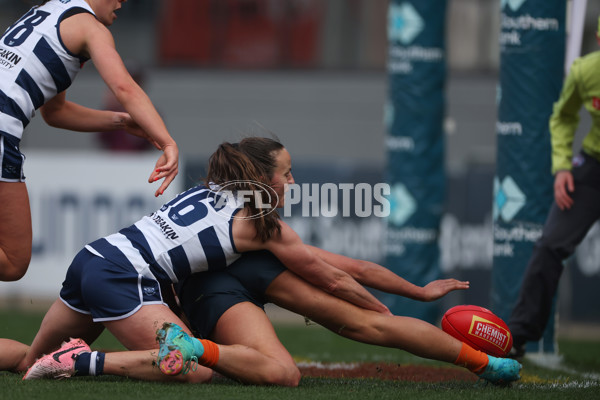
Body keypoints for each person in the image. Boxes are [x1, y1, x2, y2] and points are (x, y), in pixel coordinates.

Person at [13, 137, 521, 385]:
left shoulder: (211, 190)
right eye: (288, 174)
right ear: (260, 177)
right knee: (191, 369)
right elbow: (340, 277)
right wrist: (387, 312)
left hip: (98, 258)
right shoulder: (261, 225)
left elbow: (347, 269)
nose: (294, 184)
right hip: (135, 278)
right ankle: (84, 361)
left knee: (26, 359)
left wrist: (414, 292)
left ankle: (69, 357)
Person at [0, 0, 178, 282]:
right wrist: (167, 141)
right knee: (12, 262)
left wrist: (120, 120)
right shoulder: (89, 27)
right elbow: (124, 86)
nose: (122, 3)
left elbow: (56, 113)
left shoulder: (48, 12)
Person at [507, 18, 600, 358]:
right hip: (593, 165)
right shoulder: (585, 72)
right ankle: (517, 337)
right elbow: (563, 117)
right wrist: (562, 166)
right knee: (549, 245)